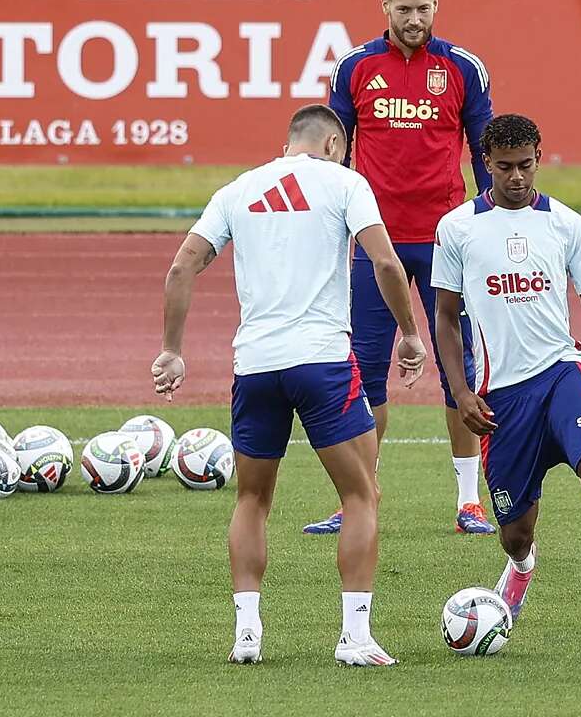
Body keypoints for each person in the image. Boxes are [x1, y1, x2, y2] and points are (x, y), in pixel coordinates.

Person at [151, 104, 427, 666]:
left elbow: (181, 268)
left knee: (252, 498)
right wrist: (409, 332)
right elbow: (387, 264)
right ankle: (355, 637)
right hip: (322, 362)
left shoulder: (237, 190)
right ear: (332, 144)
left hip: (254, 365)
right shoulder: (346, 183)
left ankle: (246, 635)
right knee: (361, 494)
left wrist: (173, 351)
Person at [431, 114, 581, 643]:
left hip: (563, 373)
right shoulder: (458, 228)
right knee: (515, 531)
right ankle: (521, 565)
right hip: (502, 398)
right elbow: (446, 316)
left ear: (540, 158)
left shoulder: (565, 224)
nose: (517, 177)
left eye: (527, 165)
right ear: (485, 163)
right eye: (506, 167)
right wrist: (462, 392)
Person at [306, 0, 495, 536]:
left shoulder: (462, 68)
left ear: (437, 4)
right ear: (384, 5)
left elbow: (485, 152)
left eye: (423, 7)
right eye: (403, 8)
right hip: (374, 243)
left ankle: (469, 504)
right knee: (363, 372)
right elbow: (332, 149)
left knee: (456, 372)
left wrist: (488, 222)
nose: (414, 18)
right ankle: (359, 499)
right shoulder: (355, 67)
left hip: (446, 243)